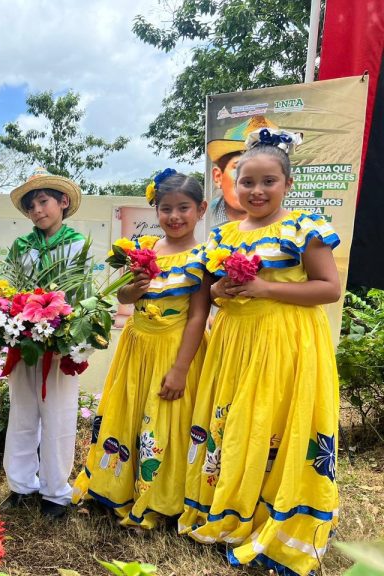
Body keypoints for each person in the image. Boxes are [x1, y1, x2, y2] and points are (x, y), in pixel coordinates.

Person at [180, 128, 340, 576]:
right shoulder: (225, 234)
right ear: (233, 185)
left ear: (288, 184)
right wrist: (224, 288)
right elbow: (211, 292)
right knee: (236, 426)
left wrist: (263, 286)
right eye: (247, 181)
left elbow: (329, 288)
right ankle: (232, 512)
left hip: (287, 342)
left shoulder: (303, 227)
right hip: (234, 343)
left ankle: (278, 524)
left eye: (268, 181)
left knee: (275, 427)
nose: (256, 190)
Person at [72, 170, 210, 529]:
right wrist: (136, 288)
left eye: (184, 208)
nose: (175, 217)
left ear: (201, 209)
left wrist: (180, 369)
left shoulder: (204, 257)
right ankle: (117, 485)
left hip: (178, 348)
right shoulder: (144, 249)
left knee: (168, 421)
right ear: (156, 211)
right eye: (166, 209)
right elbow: (122, 296)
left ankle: (163, 497)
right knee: (130, 411)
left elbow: (198, 316)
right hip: (137, 346)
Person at [1, 168, 88, 519]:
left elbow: (83, 293)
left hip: (60, 342)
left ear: (62, 202)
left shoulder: (78, 243)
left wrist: (70, 331)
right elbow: (8, 288)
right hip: (24, 341)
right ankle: (21, 486)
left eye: (43, 201)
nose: (37, 210)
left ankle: (55, 492)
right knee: (22, 412)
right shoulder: (20, 246)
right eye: (31, 206)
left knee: (59, 415)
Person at [207, 115, 278, 227]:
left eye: (268, 177)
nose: (257, 188)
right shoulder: (199, 222)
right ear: (218, 177)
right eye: (240, 169)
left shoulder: (291, 229)